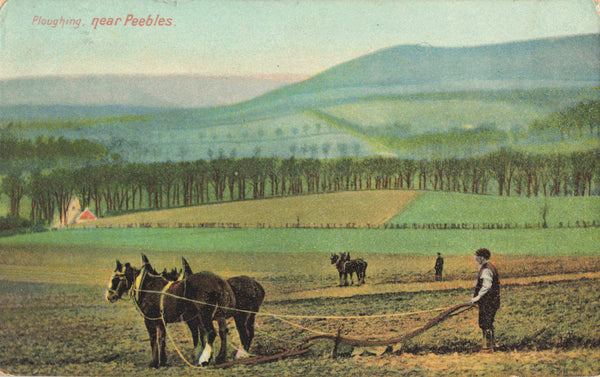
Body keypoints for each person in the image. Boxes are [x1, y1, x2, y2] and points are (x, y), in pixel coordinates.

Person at [469, 248, 500, 353]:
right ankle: (491, 345)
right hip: (489, 301)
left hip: (489, 301)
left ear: (482, 258)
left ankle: (488, 347)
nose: (475, 258)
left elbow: (486, 287)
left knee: (485, 323)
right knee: (487, 323)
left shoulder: (486, 269)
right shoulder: (485, 267)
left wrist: (477, 298)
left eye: (477, 256)